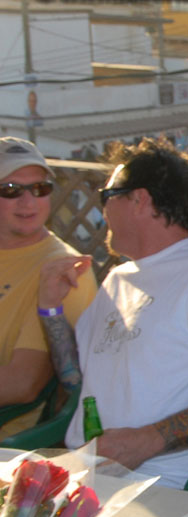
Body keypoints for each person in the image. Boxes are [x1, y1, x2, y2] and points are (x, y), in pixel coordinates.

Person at [38, 138, 188, 494]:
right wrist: (50, 309)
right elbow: (76, 382)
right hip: (86, 479)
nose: (102, 210)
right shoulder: (117, 280)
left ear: (139, 199)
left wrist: (146, 441)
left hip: (165, 489)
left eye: (107, 196)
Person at [0, 137, 96, 427]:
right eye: (11, 190)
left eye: (40, 189)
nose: (28, 202)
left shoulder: (64, 270)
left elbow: (22, 383)